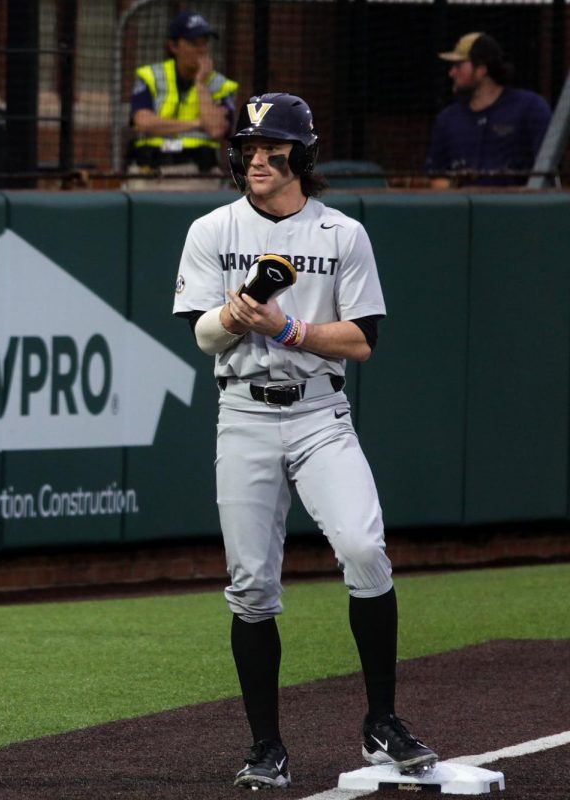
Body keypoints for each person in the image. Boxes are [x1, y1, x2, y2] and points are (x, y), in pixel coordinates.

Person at [172, 92, 438, 791]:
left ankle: (382, 721)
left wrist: (291, 331)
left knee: (362, 548)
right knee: (252, 586)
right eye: (248, 148)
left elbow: (363, 341)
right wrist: (236, 314)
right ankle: (267, 746)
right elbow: (201, 336)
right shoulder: (211, 229)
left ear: (304, 154)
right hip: (245, 414)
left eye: (272, 147)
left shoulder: (342, 234)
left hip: (321, 412)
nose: (257, 158)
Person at [126, 9, 238, 191]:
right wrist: (196, 123)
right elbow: (144, 123)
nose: (201, 50)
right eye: (194, 43)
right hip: (150, 170)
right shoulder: (150, 76)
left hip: (197, 172)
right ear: (173, 46)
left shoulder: (220, 84)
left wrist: (201, 84)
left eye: (205, 43)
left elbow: (216, 129)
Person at [426, 32, 551, 188]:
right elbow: (436, 175)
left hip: (519, 208)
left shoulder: (530, 108)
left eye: (459, 65)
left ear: (481, 70)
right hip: (464, 209)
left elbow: (547, 171)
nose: (451, 73)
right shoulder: (447, 120)